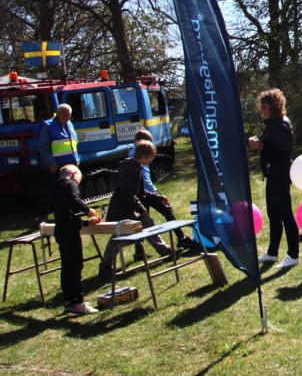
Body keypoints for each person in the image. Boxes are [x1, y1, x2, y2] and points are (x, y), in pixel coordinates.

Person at [99, 140, 176, 278]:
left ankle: (165, 251)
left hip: (128, 208)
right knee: (118, 237)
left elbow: (141, 192)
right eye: (151, 157)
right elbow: (127, 194)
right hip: (122, 210)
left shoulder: (135, 167)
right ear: (145, 156)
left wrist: (158, 198)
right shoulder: (132, 169)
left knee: (148, 223)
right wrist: (141, 209)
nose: (152, 160)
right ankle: (105, 266)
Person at [247, 89, 300, 268]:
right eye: (261, 106)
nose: (261, 110)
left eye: (264, 107)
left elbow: (281, 153)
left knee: (286, 215)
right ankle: (272, 252)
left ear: (273, 107)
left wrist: (260, 146)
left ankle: (293, 255)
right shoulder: (272, 124)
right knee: (273, 215)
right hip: (273, 175)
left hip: (281, 175)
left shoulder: (281, 125)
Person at [130, 129, 198, 259]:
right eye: (145, 142)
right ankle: (181, 238)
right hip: (146, 190)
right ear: (137, 141)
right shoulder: (137, 154)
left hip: (141, 191)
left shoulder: (135, 152)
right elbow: (142, 178)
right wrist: (155, 193)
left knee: (143, 219)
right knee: (167, 209)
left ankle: (139, 252)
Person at [47, 164, 100, 314]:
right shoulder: (69, 183)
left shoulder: (55, 187)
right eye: (79, 177)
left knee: (67, 266)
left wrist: (86, 223)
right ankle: (78, 302)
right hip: (69, 232)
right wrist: (88, 210)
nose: (78, 182)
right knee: (75, 266)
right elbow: (74, 199)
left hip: (60, 229)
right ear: (73, 173)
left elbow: (66, 214)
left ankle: (69, 301)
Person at [39, 104, 78, 170]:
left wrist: (76, 159)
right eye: (64, 115)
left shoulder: (69, 124)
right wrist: (51, 163)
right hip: (57, 166)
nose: (67, 117)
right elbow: (43, 146)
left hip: (72, 164)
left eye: (69, 115)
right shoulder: (48, 126)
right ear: (58, 114)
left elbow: (73, 143)